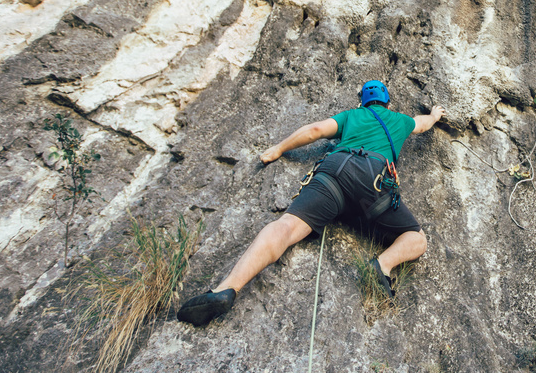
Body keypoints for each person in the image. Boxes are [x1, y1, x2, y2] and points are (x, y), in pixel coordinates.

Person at [177, 80, 445, 327]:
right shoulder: (398, 120)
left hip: (334, 173)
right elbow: (422, 124)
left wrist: (279, 149)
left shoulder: (351, 116)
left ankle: (227, 288)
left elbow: (315, 130)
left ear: (361, 102)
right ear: (388, 103)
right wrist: (434, 115)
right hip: (373, 183)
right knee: (417, 239)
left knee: (287, 226)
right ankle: (383, 266)